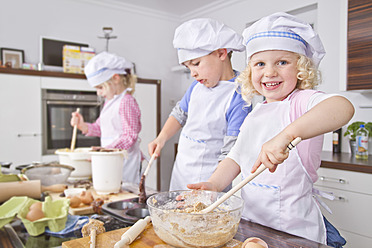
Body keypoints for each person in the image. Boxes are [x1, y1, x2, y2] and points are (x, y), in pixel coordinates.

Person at [188, 12, 354, 247]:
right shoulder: (256, 111)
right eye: (260, 64)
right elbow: (236, 157)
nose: (269, 72)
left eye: (282, 62)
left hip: (292, 231)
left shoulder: (301, 102)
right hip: (252, 225)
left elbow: (342, 107)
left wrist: (286, 135)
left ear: (301, 68)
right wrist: (214, 184)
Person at [148, 18, 251, 191]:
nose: (193, 73)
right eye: (188, 67)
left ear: (221, 53)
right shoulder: (197, 86)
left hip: (210, 181)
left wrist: (214, 185)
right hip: (182, 172)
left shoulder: (239, 95)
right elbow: (180, 113)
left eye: (196, 64)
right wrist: (161, 138)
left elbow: (232, 151)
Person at [70, 51, 142, 184]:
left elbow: (130, 136)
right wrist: (83, 125)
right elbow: (100, 128)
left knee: (125, 191)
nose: (98, 93)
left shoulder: (126, 101)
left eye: (100, 87)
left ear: (116, 78)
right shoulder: (110, 102)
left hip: (124, 161)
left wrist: (105, 150)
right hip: (110, 158)